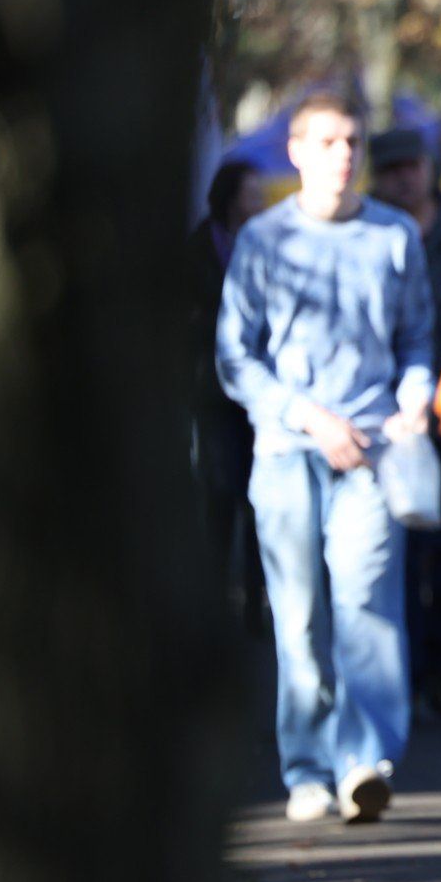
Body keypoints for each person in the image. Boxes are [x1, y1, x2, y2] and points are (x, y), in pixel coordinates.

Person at [216, 91, 436, 825]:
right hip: (288, 450)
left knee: (366, 603)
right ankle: (307, 767)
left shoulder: (394, 234)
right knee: (300, 614)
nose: (344, 155)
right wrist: (308, 416)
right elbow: (236, 356)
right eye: (328, 142)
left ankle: (363, 763)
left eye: (352, 142)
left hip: (372, 453)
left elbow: (417, 338)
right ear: (297, 151)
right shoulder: (263, 239)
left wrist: (414, 400)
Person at [367, 128, 441, 718]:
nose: (403, 178)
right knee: (404, 555)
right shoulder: (368, 231)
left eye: (411, 166)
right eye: (391, 169)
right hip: (393, 421)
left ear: (427, 168)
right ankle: (411, 674)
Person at [189, 160, 267, 618]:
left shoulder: (265, 244)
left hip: (258, 395)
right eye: (252, 193)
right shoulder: (199, 248)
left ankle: (256, 599)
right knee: (220, 491)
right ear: (230, 198)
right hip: (213, 392)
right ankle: (216, 598)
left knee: (259, 497)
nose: (259, 201)